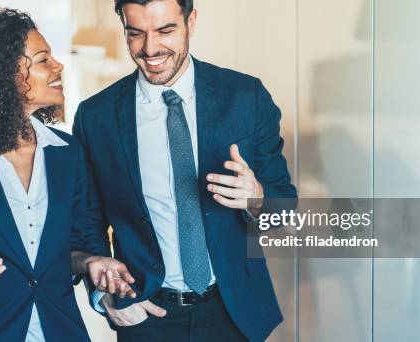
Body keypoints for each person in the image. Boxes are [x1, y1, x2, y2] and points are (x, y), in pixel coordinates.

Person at [72, 0, 297, 341]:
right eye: (135, 33)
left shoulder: (245, 97)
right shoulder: (96, 116)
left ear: (191, 22)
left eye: (165, 31)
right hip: (147, 314)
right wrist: (104, 294)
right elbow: (87, 222)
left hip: (235, 311)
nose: (150, 49)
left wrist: (256, 200)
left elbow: (284, 205)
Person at [0, 8, 135, 341]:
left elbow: (76, 245)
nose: (58, 66)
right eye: (43, 59)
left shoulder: (69, 153)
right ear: (3, 74)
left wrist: (91, 261)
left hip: (61, 330)